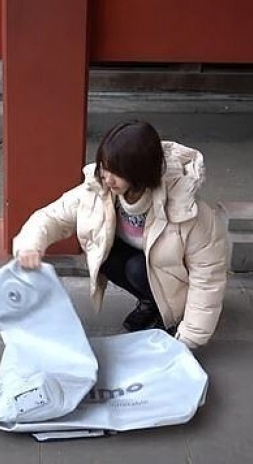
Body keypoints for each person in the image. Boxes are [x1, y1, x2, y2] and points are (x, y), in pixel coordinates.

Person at [13, 120, 228, 349]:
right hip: (145, 266)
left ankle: (172, 315)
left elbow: (207, 278)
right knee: (104, 253)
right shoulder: (99, 189)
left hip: (176, 279)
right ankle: (151, 303)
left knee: (136, 268)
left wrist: (189, 338)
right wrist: (30, 246)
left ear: (140, 172)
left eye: (117, 172)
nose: (107, 177)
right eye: (105, 166)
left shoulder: (188, 211)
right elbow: (52, 216)